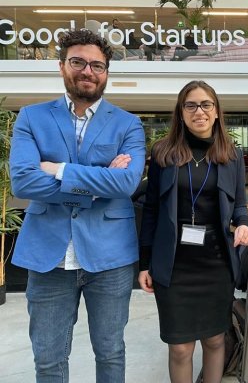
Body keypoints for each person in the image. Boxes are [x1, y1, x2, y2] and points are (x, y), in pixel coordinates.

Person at [9, 29, 146, 382]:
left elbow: (127, 183)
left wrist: (59, 170)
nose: (88, 71)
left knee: (111, 352)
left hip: (109, 257)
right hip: (48, 256)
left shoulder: (128, 124)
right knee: (49, 359)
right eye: (78, 62)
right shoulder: (31, 117)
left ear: (106, 73)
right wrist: (99, 183)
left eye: (97, 65)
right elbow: (23, 182)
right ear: (61, 67)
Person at [138, 80, 248, 383]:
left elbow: (240, 205)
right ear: (181, 111)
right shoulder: (163, 152)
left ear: (216, 112)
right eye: (190, 105)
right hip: (173, 264)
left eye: (206, 105)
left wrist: (244, 225)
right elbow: (150, 211)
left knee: (215, 340)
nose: (198, 111)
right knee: (179, 347)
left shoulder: (231, 154)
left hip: (216, 262)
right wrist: (144, 263)